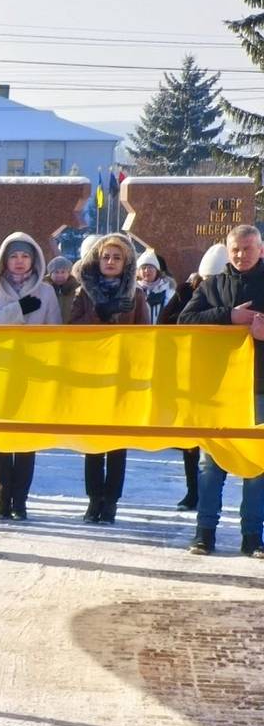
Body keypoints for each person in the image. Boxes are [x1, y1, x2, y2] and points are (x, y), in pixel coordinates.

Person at [177, 223, 264, 556]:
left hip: (259, 387)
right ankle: (204, 532)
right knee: (211, 465)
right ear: (228, 252)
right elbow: (185, 322)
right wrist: (229, 317)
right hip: (218, 389)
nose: (242, 255)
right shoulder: (212, 286)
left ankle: (252, 536)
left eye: (248, 248)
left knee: (257, 465)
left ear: (260, 249)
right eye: (236, 250)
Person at [68, 232, 153, 525]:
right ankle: (94, 499)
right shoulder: (83, 293)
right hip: (92, 374)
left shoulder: (136, 294)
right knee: (93, 441)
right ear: (97, 258)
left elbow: (145, 336)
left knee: (117, 442)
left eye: (117, 257)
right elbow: (71, 330)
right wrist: (100, 314)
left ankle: (111, 501)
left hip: (123, 376)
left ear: (126, 262)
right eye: (106, 256)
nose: (111, 261)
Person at [0, 232, 61, 520]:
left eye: (25, 256)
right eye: (14, 256)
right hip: (1, 371)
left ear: (34, 259)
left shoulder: (46, 292)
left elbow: (55, 334)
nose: (20, 262)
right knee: (0, 438)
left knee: (26, 438)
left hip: (33, 372)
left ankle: (20, 500)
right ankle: (2, 498)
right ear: (4, 260)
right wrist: (17, 310)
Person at [161, 244, 230, 513]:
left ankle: (213, 495)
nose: (209, 284)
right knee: (192, 442)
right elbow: (167, 324)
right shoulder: (184, 292)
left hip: (225, 375)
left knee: (221, 441)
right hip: (192, 372)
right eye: (205, 279)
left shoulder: (231, 290)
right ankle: (193, 492)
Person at [136, 248, 175, 321]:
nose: (147, 271)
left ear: (157, 270)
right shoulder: (134, 291)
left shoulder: (169, 291)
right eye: (143, 268)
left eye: (150, 267)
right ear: (138, 272)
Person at [45, 253, 80, 322]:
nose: (59, 275)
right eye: (56, 272)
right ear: (50, 274)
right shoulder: (44, 290)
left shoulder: (77, 291)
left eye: (63, 272)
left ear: (69, 273)